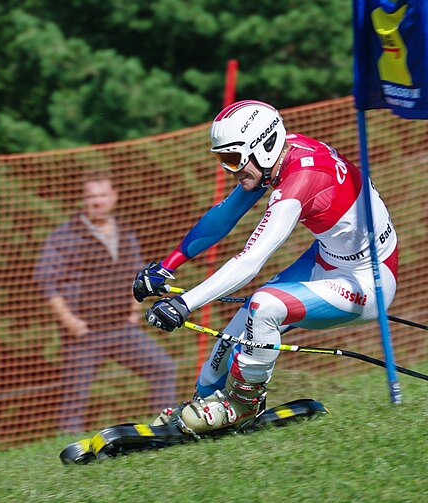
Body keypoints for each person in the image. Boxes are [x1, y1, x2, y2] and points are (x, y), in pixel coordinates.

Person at [133, 100, 398, 435]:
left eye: (232, 159)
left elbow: (250, 260)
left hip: (367, 281)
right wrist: (168, 265)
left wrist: (184, 304)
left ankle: (243, 404)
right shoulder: (277, 157)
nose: (229, 171)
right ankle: (203, 403)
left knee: (264, 306)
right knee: (230, 337)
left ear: (266, 146)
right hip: (328, 260)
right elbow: (224, 216)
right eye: (222, 160)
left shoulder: (301, 178)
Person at [35, 170, 177, 434]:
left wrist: (134, 310)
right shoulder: (64, 236)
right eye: (91, 196)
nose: (97, 202)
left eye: (102, 195)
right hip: (84, 333)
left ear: (113, 198)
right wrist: (69, 321)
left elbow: (136, 276)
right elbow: (47, 282)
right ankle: (68, 451)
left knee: (163, 367)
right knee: (74, 398)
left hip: (121, 329)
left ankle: (163, 431)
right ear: (83, 200)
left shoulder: (125, 233)